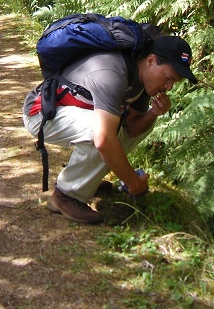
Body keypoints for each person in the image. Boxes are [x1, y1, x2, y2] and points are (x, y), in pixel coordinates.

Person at [22, 35, 198, 224]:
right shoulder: (113, 73)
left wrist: (153, 113)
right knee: (102, 133)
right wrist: (133, 182)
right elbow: (104, 139)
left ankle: (87, 182)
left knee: (123, 127)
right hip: (41, 114)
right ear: (151, 61)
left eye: (174, 82)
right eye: (168, 78)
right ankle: (65, 196)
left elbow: (131, 129)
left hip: (69, 113)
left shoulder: (141, 81)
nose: (169, 87)